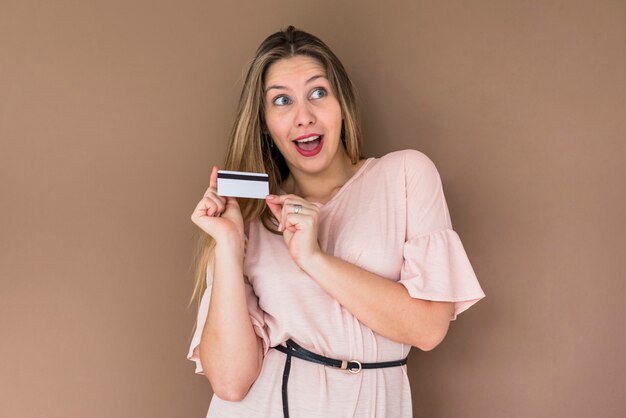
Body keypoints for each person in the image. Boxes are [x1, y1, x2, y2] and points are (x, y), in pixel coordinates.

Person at [188, 26, 485, 418]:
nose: (303, 117)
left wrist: (312, 258)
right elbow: (229, 382)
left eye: (317, 93)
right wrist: (227, 247)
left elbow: (428, 329)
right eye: (281, 101)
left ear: (341, 102)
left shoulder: (405, 175)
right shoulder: (249, 219)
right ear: (264, 123)